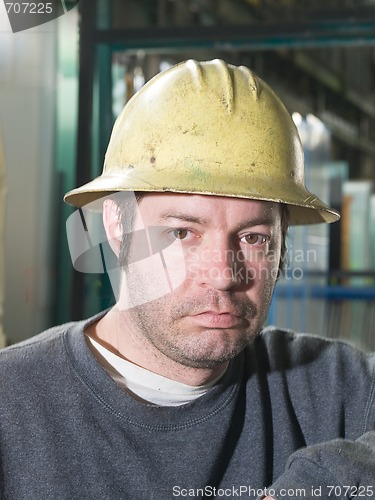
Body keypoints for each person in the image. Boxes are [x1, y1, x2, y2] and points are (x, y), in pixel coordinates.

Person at [0, 59, 374, 500]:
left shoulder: (332, 386)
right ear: (117, 227)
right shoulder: (12, 407)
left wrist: (325, 481)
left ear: (283, 243)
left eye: (253, 237)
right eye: (182, 233)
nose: (222, 275)